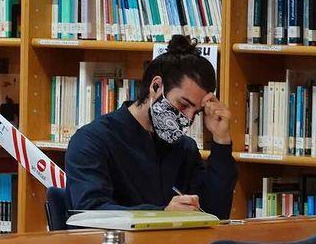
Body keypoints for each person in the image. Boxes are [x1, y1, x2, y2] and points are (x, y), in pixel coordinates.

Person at [66, 35, 236, 218]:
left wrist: (221, 140)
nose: (188, 118)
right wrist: (162, 214)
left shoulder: (185, 148)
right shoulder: (92, 140)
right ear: (156, 87)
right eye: (183, 105)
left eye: (197, 112)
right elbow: (89, 212)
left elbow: (215, 215)